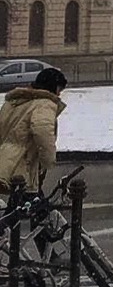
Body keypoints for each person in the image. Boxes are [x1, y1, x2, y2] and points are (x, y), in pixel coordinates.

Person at [0, 67, 68, 196]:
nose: (59, 94)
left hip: (6, 160)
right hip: (25, 161)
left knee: (19, 205)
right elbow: (43, 131)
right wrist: (48, 160)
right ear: (53, 86)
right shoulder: (44, 104)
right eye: (59, 89)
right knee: (30, 204)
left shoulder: (14, 102)